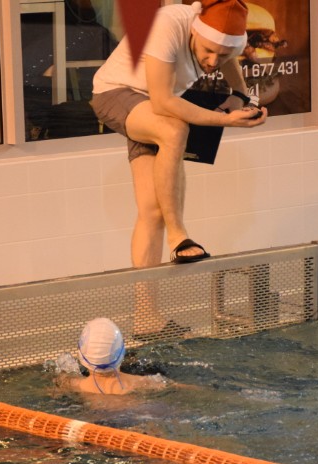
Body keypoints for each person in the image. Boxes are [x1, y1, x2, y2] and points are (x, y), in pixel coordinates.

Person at [90, 0, 267, 334]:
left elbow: (230, 58)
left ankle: (146, 319)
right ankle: (178, 237)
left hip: (148, 108)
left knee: (151, 211)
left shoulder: (233, 39)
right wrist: (226, 120)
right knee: (174, 129)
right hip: (117, 93)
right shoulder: (169, 22)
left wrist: (241, 96)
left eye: (221, 55)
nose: (212, 61)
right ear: (196, 31)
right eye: (207, 50)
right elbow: (163, 102)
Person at [58, 318, 173, 396]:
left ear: (81, 355)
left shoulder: (74, 384)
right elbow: (177, 387)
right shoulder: (142, 382)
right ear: (121, 352)